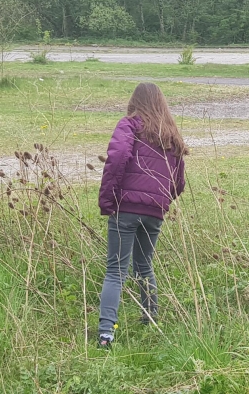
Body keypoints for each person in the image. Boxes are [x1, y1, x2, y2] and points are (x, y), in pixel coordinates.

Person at [96, 83, 187, 349]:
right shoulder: (171, 135)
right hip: (154, 212)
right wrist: (161, 201)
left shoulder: (130, 125)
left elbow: (116, 159)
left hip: (126, 208)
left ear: (135, 101)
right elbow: (178, 182)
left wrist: (107, 200)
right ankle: (150, 320)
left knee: (116, 271)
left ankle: (106, 335)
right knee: (144, 266)